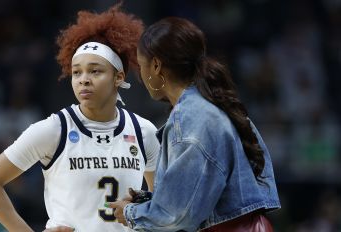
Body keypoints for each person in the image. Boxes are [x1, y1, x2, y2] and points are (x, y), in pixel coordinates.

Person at [0, 4, 159, 232]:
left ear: (118, 77)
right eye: (77, 72)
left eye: (95, 71)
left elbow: (162, 202)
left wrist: (142, 205)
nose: (83, 79)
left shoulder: (144, 131)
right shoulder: (53, 129)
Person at [108, 17, 281, 231]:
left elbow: (177, 215)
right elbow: (205, 196)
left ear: (156, 66)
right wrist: (147, 200)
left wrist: (130, 213)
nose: (141, 77)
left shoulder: (192, 118)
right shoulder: (213, 104)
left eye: (142, 66)